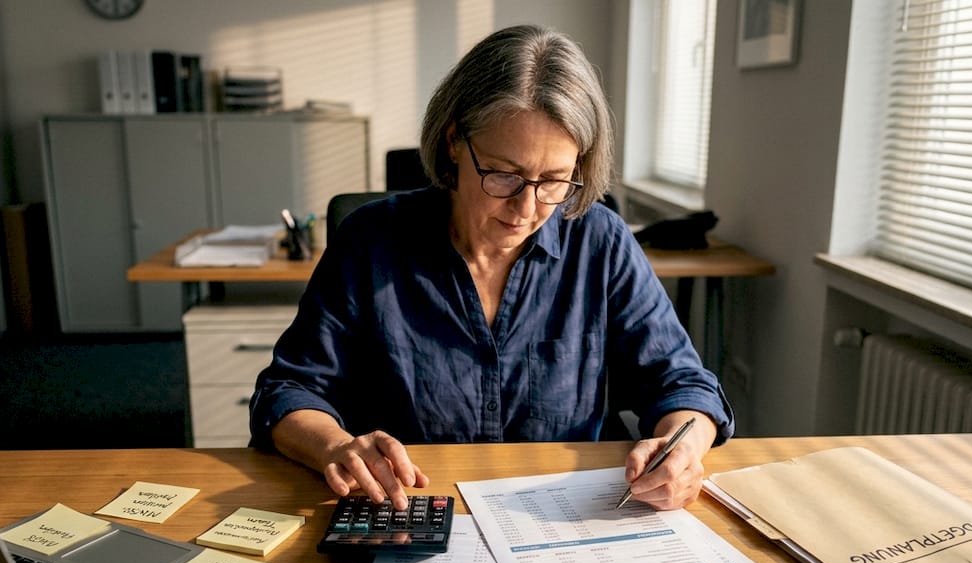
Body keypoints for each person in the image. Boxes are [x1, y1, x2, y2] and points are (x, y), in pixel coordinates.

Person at [250, 24, 733, 511]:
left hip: (560, 515)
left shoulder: (600, 241)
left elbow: (683, 384)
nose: (526, 209)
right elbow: (288, 390)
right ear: (454, 142)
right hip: (408, 508)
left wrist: (683, 449)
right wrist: (336, 446)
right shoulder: (370, 241)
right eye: (504, 175)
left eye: (554, 180)